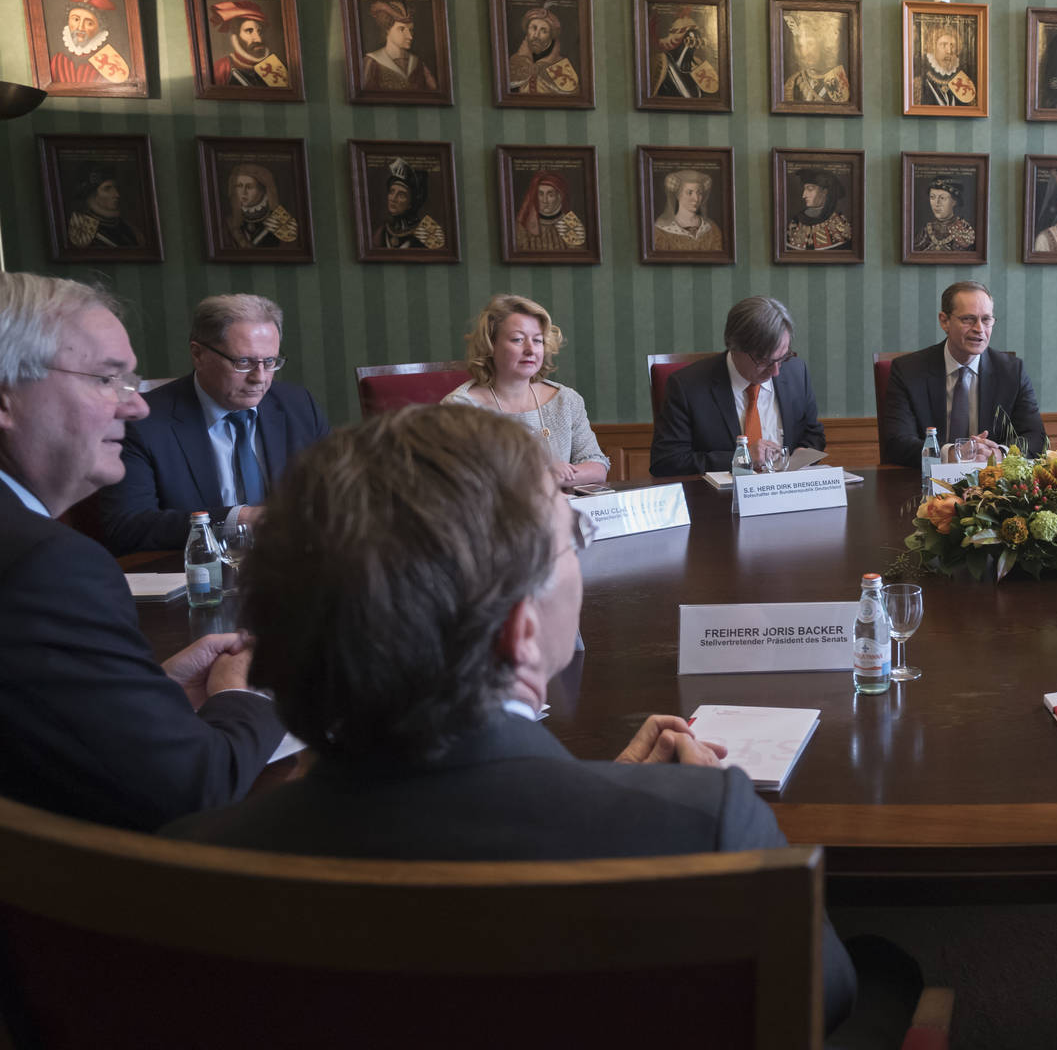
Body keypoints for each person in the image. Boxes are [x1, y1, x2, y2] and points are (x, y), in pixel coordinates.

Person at [161, 404, 870, 1034]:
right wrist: (646, 801)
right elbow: (818, 999)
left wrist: (600, 787)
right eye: (573, 539)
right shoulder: (702, 824)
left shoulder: (184, 862)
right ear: (520, 630)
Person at [0, 273, 282, 831]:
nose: (137, 409)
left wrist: (154, 692)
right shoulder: (47, 566)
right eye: (107, 379)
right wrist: (247, 693)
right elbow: (195, 787)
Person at [95, 293, 329, 555]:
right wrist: (236, 520)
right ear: (198, 354)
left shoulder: (298, 406)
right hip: (200, 581)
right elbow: (127, 527)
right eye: (243, 362)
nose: (259, 378)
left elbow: (333, 495)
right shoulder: (144, 422)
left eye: (270, 362)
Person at [442, 296, 608, 489]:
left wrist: (556, 477)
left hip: (562, 512)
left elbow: (597, 467)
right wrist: (541, 477)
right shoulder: (460, 408)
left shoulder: (566, 399)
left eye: (537, 341)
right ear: (490, 345)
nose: (531, 350)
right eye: (518, 339)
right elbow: (460, 481)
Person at [650, 297, 826, 477]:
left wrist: (802, 453)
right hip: (718, 500)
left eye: (782, 358)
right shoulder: (687, 386)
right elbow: (666, 462)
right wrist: (742, 458)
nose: (775, 372)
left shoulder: (796, 373)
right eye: (764, 361)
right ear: (734, 348)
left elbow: (813, 435)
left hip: (788, 495)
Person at [879, 281, 1044, 468]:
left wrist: (999, 453)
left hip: (993, 487)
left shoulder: (1012, 371)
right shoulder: (908, 370)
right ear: (944, 321)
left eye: (986, 319)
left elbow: (1036, 438)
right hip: (926, 486)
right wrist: (952, 453)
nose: (979, 329)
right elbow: (896, 442)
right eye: (968, 319)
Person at [51, 0, 128, 86]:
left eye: (89, 23)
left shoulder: (109, 61)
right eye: (76, 19)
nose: (80, 28)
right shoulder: (59, 60)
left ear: (100, 28)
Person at [359, 0, 437, 93]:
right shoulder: (371, 63)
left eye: (411, 30)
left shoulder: (418, 64)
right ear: (387, 30)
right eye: (402, 29)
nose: (410, 36)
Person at [208, 0, 284, 89]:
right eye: (249, 31)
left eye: (259, 31)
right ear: (235, 35)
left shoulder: (275, 65)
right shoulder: (222, 67)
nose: (258, 39)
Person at [782, 12, 852, 105]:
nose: (805, 52)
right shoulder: (794, 82)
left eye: (810, 44)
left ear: (821, 45)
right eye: (800, 46)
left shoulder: (838, 77)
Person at [507, 2, 577, 95]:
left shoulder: (561, 64)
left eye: (543, 31)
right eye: (533, 28)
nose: (536, 35)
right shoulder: (516, 60)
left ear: (550, 37)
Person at [64, 168, 142, 250]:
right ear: (90, 194)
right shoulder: (80, 228)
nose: (117, 195)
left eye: (115, 188)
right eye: (107, 188)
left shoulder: (129, 229)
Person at [378, 156, 445, 250]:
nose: (393, 198)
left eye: (401, 195)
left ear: (412, 202)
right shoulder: (383, 230)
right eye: (392, 192)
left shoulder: (430, 231)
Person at [513, 170, 587, 253]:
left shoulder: (570, 223)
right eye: (540, 194)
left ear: (560, 197)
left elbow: (578, 257)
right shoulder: (524, 224)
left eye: (550, 195)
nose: (544, 200)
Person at [652, 168, 724, 253]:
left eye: (699, 193)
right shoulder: (661, 231)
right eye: (689, 193)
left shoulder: (712, 229)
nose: (696, 199)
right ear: (678, 195)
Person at [652, 7, 718, 99]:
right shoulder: (662, 60)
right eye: (688, 33)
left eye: (696, 33)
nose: (695, 39)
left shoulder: (697, 63)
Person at [785, 169, 854, 251]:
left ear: (824, 192)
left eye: (810, 189)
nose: (804, 195)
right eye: (804, 189)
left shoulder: (839, 221)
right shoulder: (797, 220)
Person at [916, 22, 976, 108]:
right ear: (933, 48)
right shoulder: (919, 83)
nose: (949, 51)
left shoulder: (964, 80)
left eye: (952, 45)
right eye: (943, 45)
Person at [913, 180, 975, 253]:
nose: (937, 203)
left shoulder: (965, 231)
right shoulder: (924, 231)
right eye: (932, 197)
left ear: (954, 201)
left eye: (942, 198)